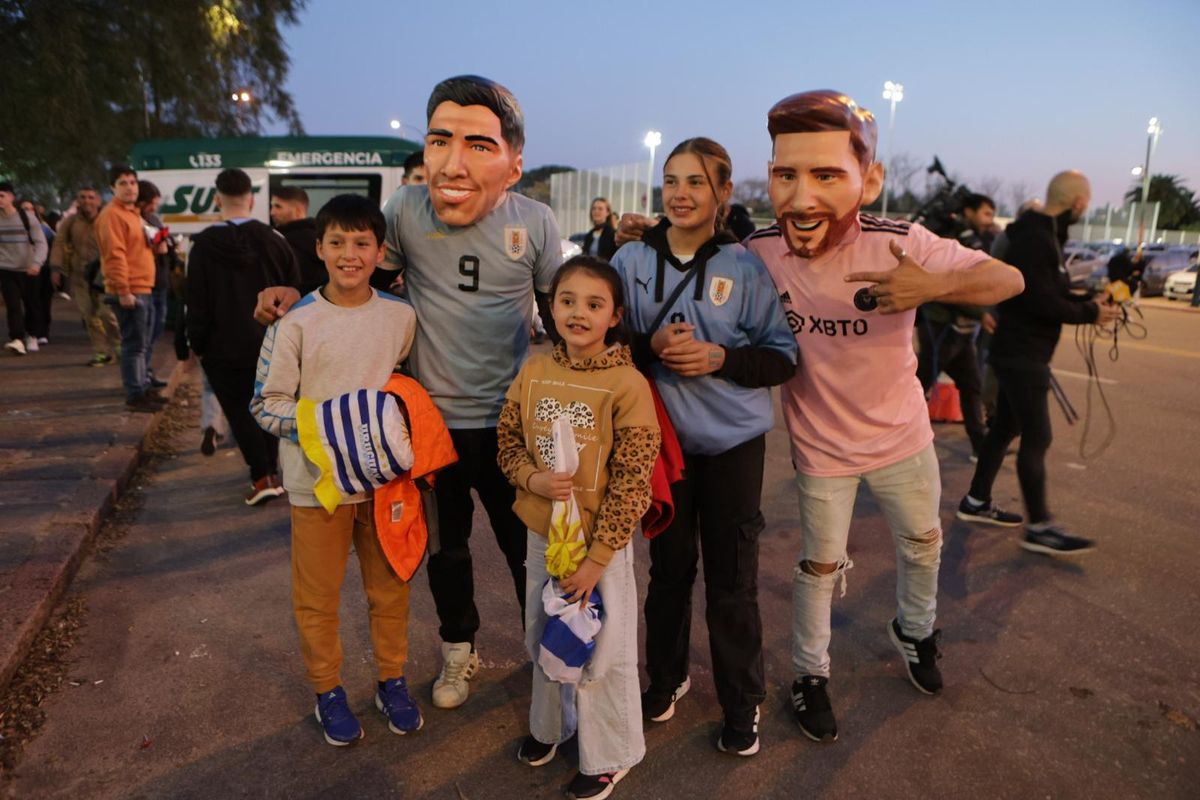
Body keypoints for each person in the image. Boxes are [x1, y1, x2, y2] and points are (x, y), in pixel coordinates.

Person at [614, 91, 1023, 741]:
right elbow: (695, 265)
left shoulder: (901, 244)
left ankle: (914, 632)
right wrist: (651, 239)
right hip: (821, 447)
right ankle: (810, 676)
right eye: (786, 175)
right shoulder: (759, 253)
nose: (802, 198)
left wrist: (933, 286)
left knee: (922, 546)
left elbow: (1008, 279)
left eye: (827, 175)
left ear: (871, 180)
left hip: (902, 437)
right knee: (818, 567)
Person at [255, 76, 563, 710]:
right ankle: (458, 651)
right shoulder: (404, 209)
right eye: (439, 140)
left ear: (514, 161)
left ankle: (544, 652)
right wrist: (298, 298)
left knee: (524, 548)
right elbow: (359, 277)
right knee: (444, 550)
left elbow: (566, 314)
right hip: (428, 424)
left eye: (478, 143)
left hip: (509, 424)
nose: (453, 161)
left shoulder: (535, 221)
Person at [613, 138, 796, 756]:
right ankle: (664, 680)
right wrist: (651, 349)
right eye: (671, 181)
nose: (680, 193)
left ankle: (743, 703)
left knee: (732, 579)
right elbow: (601, 348)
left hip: (734, 447)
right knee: (667, 576)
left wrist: (721, 357)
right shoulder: (631, 261)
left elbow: (782, 358)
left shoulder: (745, 267)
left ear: (723, 193)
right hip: (662, 449)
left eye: (696, 182)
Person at [251, 194, 422, 747]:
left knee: (390, 591)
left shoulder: (401, 318)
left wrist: (391, 432)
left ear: (380, 251)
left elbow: (402, 388)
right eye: (339, 243)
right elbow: (265, 403)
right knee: (318, 598)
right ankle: (327, 691)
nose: (351, 254)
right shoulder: (294, 322)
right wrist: (329, 429)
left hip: (384, 486)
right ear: (319, 248)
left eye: (362, 243)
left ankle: (391, 680)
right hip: (315, 487)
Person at [497, 256, 659, 800]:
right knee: (545, 634)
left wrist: (599, 558)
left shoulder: (629, 384)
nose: (578, 313)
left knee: (604, 650)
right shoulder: (534, 370)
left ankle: (612, 753)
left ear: (614, 315)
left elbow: (635, 480)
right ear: (552, 306)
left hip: (601, 547)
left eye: (594, 304)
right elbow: (508, 440)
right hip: (543, 536)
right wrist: (532, 479)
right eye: (567, 301)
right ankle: (551, 726)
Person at [958, 171, 1120, 555]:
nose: (1087, 207)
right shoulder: (1035, 236)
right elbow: (1039, 301)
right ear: (1079, 201)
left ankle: (976, 502)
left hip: (1020, 351)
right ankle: (1040, 527)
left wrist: (1091, 298)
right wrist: (1089, 314)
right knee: (1038, 436)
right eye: (1087, 200)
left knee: (1003, 430)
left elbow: (1052, 288)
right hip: (1022, 353)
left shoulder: (1045, 233)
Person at [186, 168, 299, 503]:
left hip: (223, 347)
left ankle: (262, 477)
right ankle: (273, 473)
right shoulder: (276, 241)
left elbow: (196, 300)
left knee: (239, 411)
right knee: (270, 406)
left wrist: (198, 343)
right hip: (272, 343)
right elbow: (296, 291)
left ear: (218, 199)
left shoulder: (203, 245)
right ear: (251, 199)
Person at [917, 193, 1000, 460]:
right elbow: (950, 287)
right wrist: (981, 313)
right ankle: (886, 445)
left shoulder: (976, 240)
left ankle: (981, 446)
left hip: (962, 331)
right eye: (986, 213)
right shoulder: (953, 241)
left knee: (971, 385)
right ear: (969, 211)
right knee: (917, 388)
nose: (990, 219)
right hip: (941, 326)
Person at [96, 165, 160, 409]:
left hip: (143, 286)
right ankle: (135, 394)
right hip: (129, 290)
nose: (130, 187)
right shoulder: (112, 215)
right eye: (123, 183)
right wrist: (123, 291)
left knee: (141, 344)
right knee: (134, 345)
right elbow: (114, 256)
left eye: (133, 182)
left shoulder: (132, 214)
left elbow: (137, 249)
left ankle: (142, 388)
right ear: (112, 188)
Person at [48, 186, 120, 366]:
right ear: (78, 201)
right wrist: (56, 268)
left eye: (91, 197)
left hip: (105, 278)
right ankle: (101, 353)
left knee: (106, 314)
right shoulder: (71, 222)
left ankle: (119, 347)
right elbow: (59, 243)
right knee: (89, 316)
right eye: (83, 197)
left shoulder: (108, 219)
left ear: (98, 201)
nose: (87, 201)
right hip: (80, 277)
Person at [0, 181, 48, 355]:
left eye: (2, 196)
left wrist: (36, 263)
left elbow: (41, 243)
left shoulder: (27, 218)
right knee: (13, 306)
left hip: (28, 269)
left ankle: (32, 335)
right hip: (6, 269)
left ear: (11, 197)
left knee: (31, 304)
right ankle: (17, 339)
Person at [137, 180, 176, 388]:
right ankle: (140, 377)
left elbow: (165, 243)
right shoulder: (135, 222)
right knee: (145, 332)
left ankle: (146, 371)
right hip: (146, 283)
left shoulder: (153, 219)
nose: (155, 208)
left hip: (160, 281)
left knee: (156, 328)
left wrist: (167, 243)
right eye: (152, 203)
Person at [270, 186, 327, 294]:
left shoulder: (279, 242)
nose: (272, 212)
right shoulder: (323, 238)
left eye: (278, 207)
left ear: (298, 210)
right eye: (272, 206)